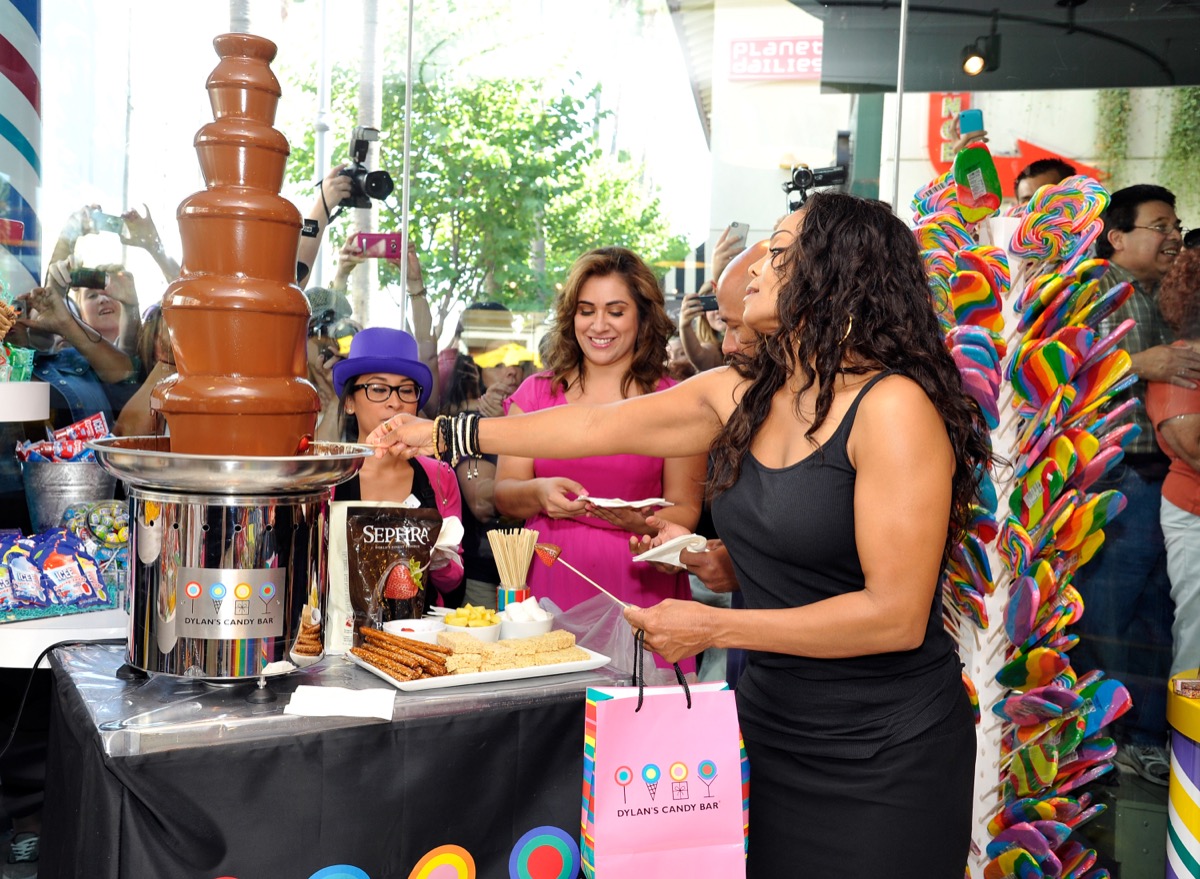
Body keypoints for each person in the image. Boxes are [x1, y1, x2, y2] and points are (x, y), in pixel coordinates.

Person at [371, 192, 988, 876]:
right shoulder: (744, 391)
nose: (755, 270)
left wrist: (716, 628)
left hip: (882, 751)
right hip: (769, 727)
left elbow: (894, 617)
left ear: (837, 274)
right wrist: (443, 430)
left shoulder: (892, 406)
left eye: (778, 254)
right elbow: (593, 427)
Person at [493, 246, 706, 620]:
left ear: (642, 317)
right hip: (550, 574)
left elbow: (686, 508)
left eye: (616, 311)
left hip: (641, 577)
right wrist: (539, 493)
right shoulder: (535, 393)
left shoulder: (676, 401)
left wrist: (641, 523)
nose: (598, 325)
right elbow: (504, 495)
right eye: (586, 310)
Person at [1071, 183, 1187, 785]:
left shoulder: (1163, 295)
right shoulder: (1090, 289)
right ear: (1117, 237)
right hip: (1116, 479)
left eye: (1176, 225)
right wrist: (1146, 365)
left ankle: (1144, 736)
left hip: (1164, 478)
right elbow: (1062, 365)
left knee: (1153, 616)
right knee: (1109, 616)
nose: (1173, 236)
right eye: (1159, 225)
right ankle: (1108, 741)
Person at [331, 327, 465, 607]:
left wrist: (440, 558)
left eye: (406, 390)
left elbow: (452, 580)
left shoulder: (440, 477)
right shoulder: (327, 478)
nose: (395, 402)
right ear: (349, 403)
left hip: (417, 637)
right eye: (378, 389)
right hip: (339, 635)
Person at [1146, 247, 1200, 682]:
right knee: (1197, 640)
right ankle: (1188, 749)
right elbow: (1193, 447)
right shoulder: (1182, 360)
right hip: (1194, 514)